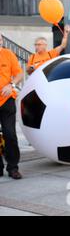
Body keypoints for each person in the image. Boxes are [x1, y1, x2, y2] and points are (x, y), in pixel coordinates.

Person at [0, 34, 24, 179]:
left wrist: (12, 85)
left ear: (1, 41)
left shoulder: (8, 54)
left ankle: (13, 167)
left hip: (7, 100)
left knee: (10, 135)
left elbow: (19, 74)